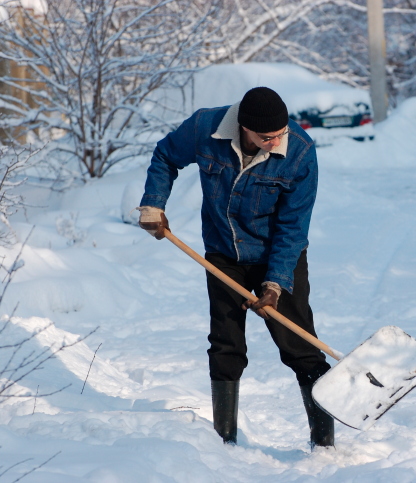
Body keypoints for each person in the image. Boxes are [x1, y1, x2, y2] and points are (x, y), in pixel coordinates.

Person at [137, 87, 334, 449]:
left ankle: (323, 445)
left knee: (300, 346)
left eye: (280, 134)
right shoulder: (204, 128)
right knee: (225, 345)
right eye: (267, 137)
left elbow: (293, 227)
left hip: (278, 253)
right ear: (243, 127)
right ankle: (223, 442)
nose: (275, 143)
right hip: (224, 253)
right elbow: (165, 154)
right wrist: (153, 204)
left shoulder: (300, 151)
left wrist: (274, 286)